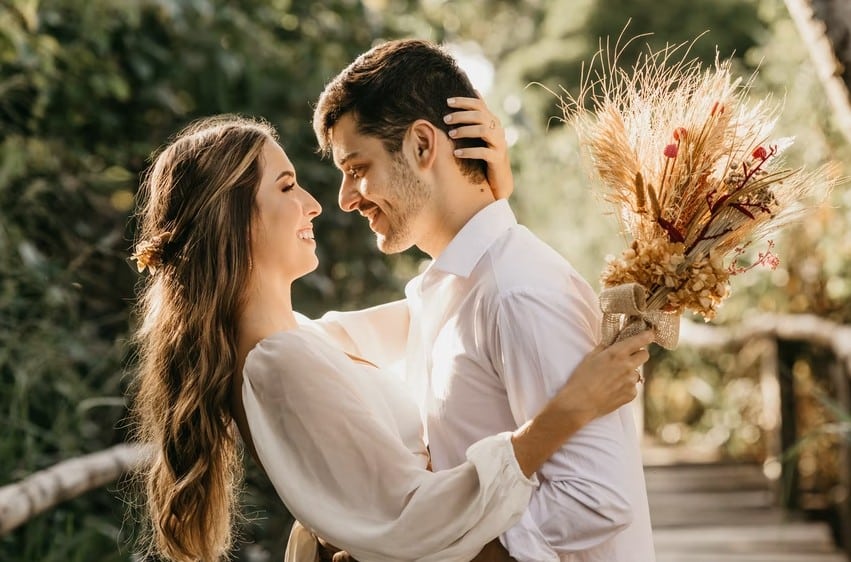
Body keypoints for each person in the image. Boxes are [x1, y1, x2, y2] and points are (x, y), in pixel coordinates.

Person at [128, 114, 653, 562]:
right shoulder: (277, 364)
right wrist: (566, 413)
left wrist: (484, 201)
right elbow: (410, 517)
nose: (315, 204)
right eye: (287, 186)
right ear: (232, 218)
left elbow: (446, 303)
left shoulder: (304, 341)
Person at [311, 38, 656, 561]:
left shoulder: (519, 292)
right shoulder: (445, 289)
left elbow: (597, 498)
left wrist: (424, 555)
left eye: (357, 168)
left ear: (423, 146)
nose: (345, 197)